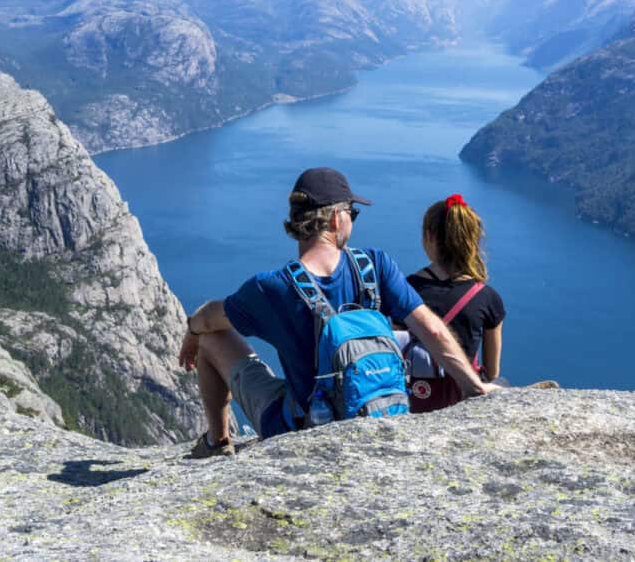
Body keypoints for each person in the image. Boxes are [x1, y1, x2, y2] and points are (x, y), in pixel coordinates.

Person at [178, 168, 497, 458]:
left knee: (212, 339)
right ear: (334, 220)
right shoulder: (376, 265)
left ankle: (217, 443)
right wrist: (473, 386)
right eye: (352, 212)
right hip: (380, 413)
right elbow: (434, 330)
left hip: (304, 430)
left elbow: (210, 319)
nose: (353, 220)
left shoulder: (271, 288)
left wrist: (193, 332)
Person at [401, 193, 506, 413]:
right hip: (461, 400)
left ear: (429, 236)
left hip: (412, 399)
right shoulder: (488, 298)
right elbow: (492, 371)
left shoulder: (404, 290)